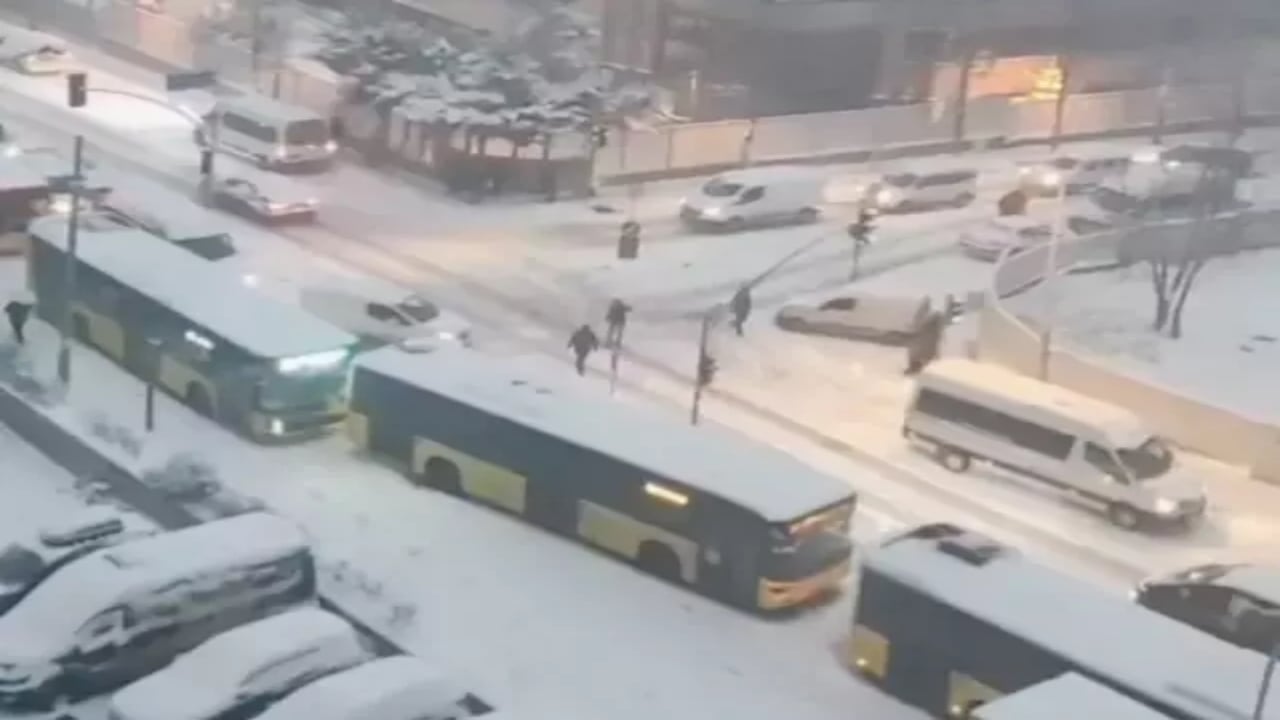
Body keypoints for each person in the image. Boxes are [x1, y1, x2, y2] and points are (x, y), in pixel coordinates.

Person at [905, 311, 945, 375]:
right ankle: (914, 368)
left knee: (918, 356)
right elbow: (936, 340)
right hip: (924, 348)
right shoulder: (933, 328)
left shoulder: (931, 327)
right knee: (919, 356)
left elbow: (918, 330)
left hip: (923, 348)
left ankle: (914, 368)